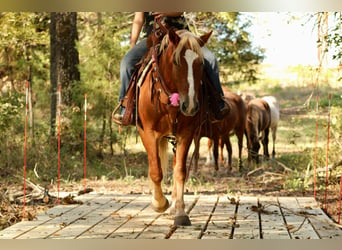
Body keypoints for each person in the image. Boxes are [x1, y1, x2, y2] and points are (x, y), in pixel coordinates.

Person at [115, 12, 229, 121]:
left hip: (181, 35)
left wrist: (166, 12)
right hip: (153, 35)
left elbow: (180, 10)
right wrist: (132, 44)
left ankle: (218, 104)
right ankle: (126, 107)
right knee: (127, 63)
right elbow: (138, 20)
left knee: (211, 59)